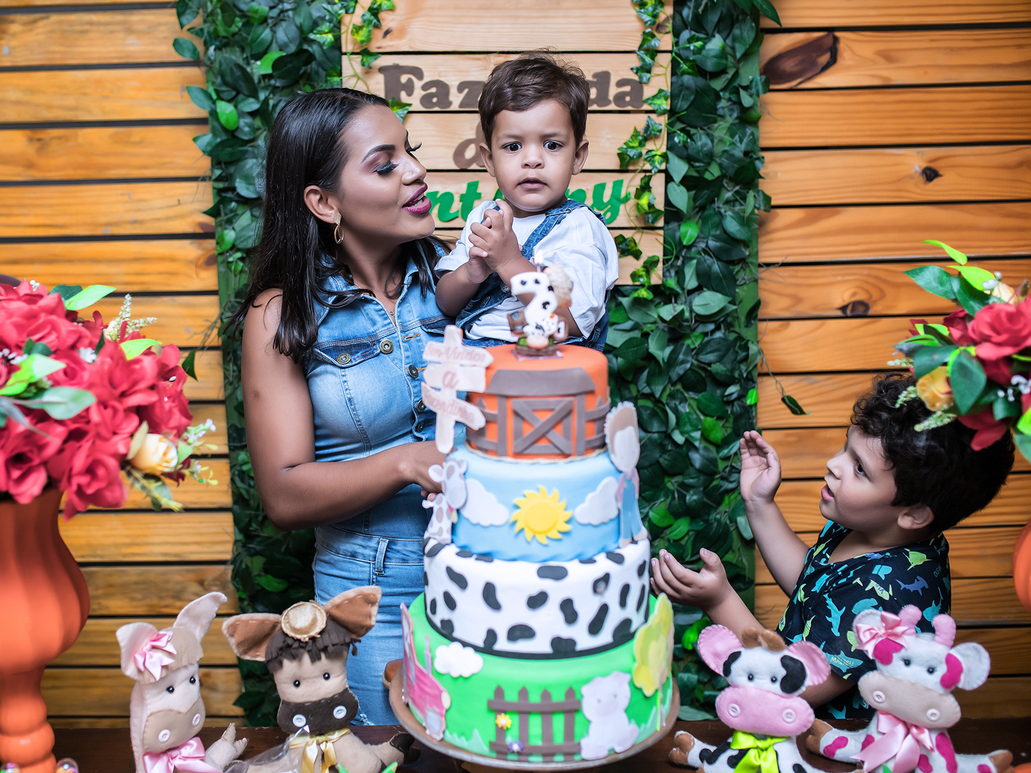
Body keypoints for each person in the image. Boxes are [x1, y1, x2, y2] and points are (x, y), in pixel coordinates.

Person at [234, 88, 449, 725]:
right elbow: (283, 495)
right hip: (372, 592)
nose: (416, 171)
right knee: (387, 757)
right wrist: (406, 462)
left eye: (410, 152)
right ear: (324, 202)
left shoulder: (459, 276)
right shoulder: (280, 316)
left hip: (487, 568)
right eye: (385, 165)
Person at [651, 372, 1015, 717]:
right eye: (846, 447)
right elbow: (813, 588)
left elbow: (790, 685)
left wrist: (719, 601)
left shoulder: (886, 598)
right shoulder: (873, 529)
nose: (833, 464)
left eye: (860, 468)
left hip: (839, 743)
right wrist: (759, 504)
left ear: (914, 514)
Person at [434, 52, 619, 349]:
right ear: (489, 159)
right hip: (476, 359)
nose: (532, 159)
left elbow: (572, 321)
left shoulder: (578, 229)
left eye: (551, 144)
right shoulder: (484, 217)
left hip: (547, 362)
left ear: (577, 156)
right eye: (513, 146)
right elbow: (445, 304)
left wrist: (509, 262)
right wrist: (470, 273)